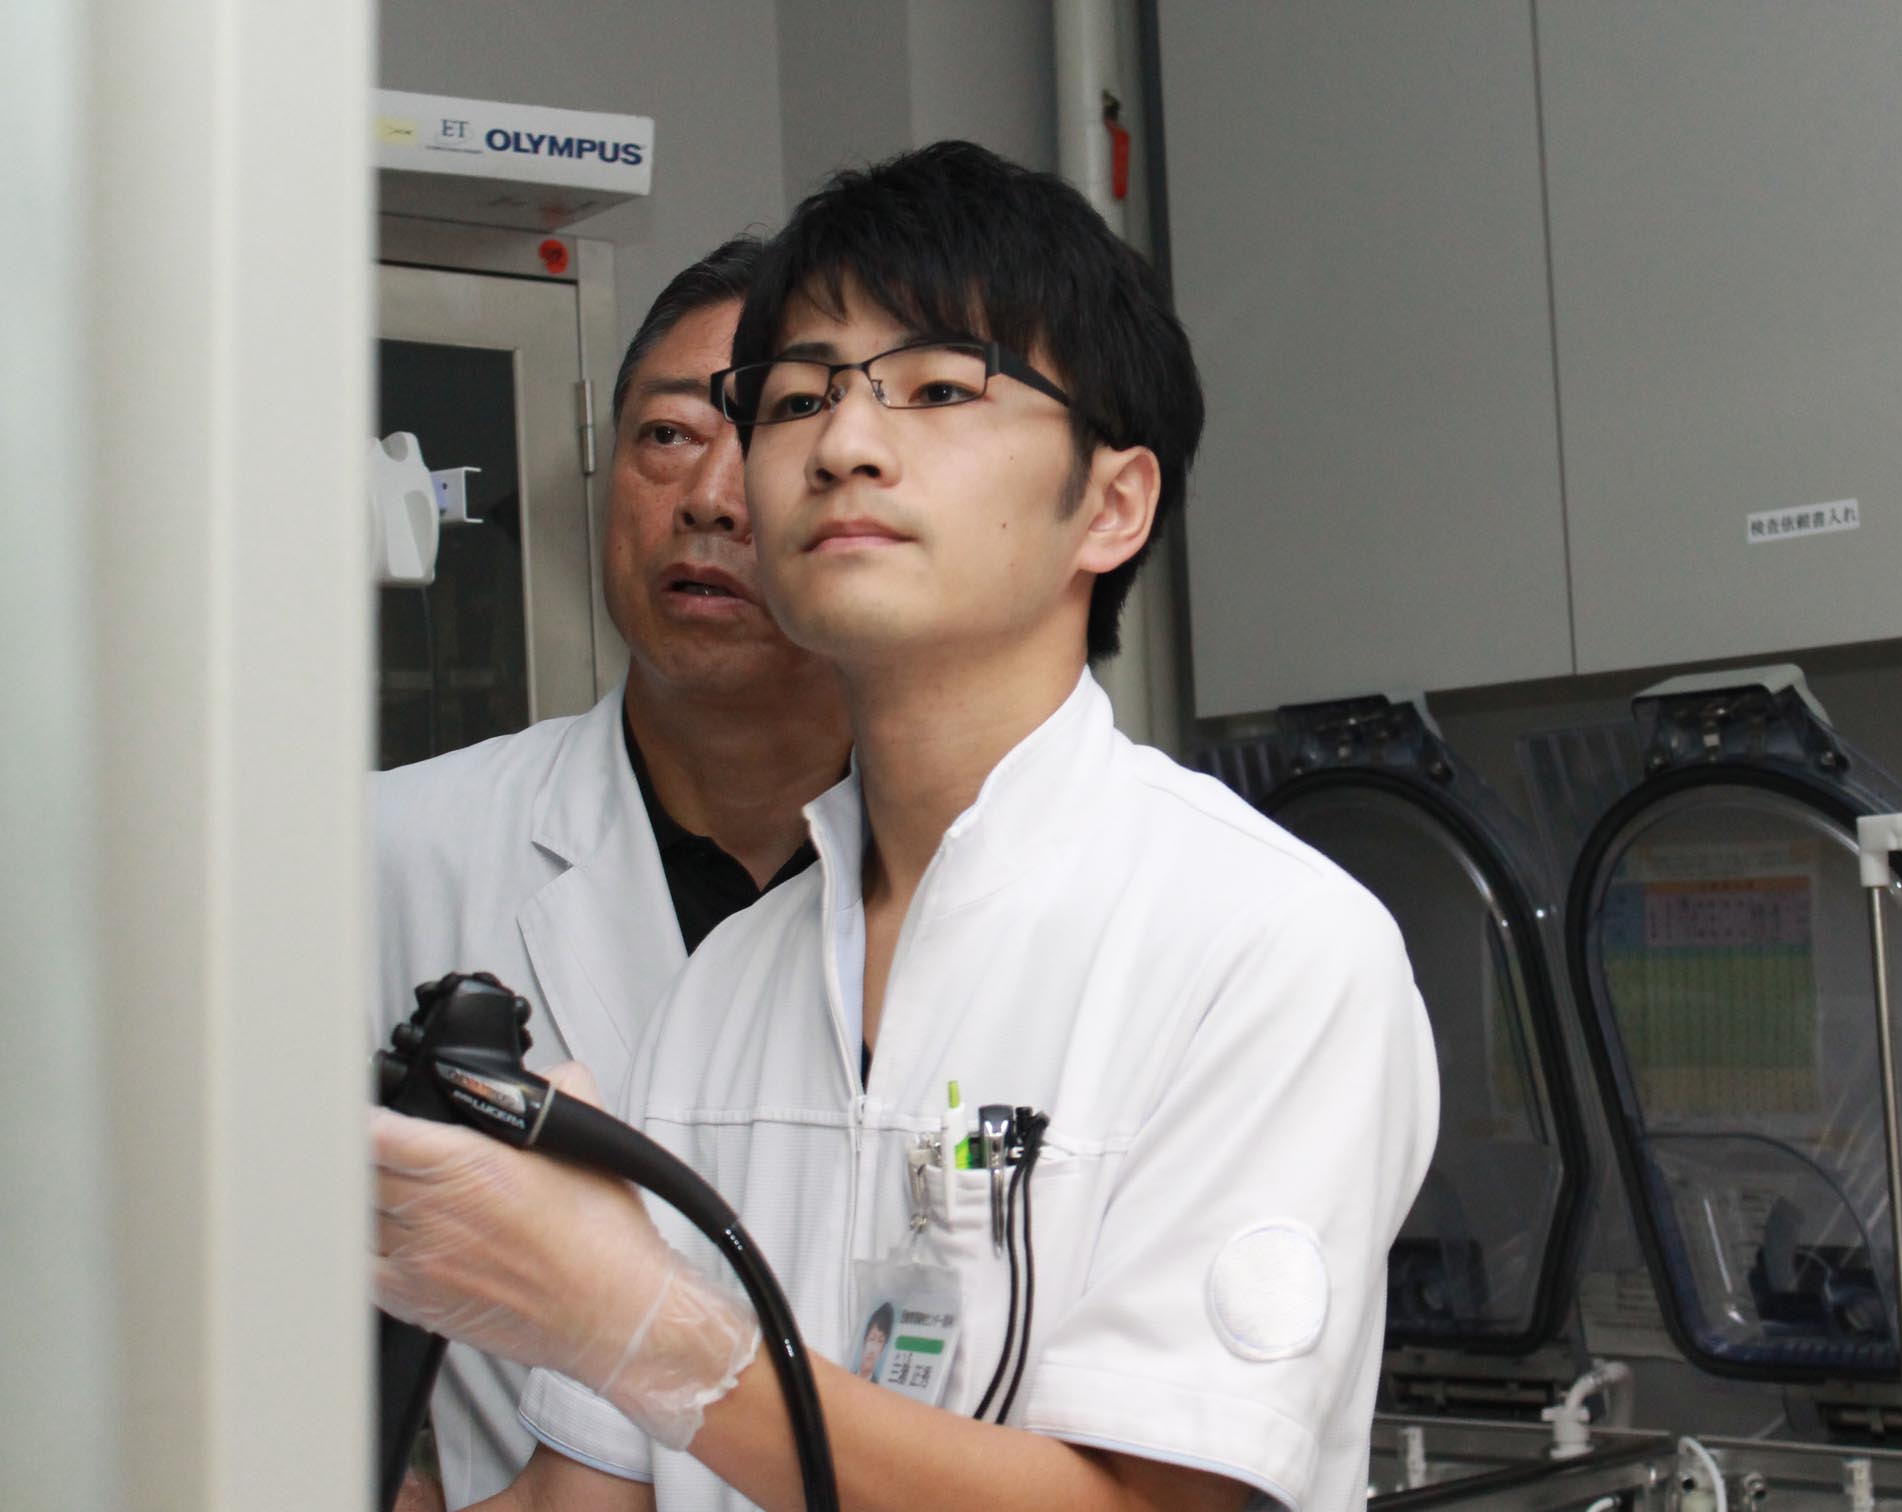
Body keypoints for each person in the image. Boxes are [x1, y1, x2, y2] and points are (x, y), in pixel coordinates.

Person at [373, 142, 1438, 1512]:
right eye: (798, 398)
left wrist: (646, 1331)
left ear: (1111, 504)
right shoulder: (730, 985)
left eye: (937, 388)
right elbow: (587, 1505)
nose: (844, 445)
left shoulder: (1264, 948)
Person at [371, 235, 851, 1508]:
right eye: (666, 436)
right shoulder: (391, 851)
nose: (709, 497)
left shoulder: (943, 883)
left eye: (769, 433)